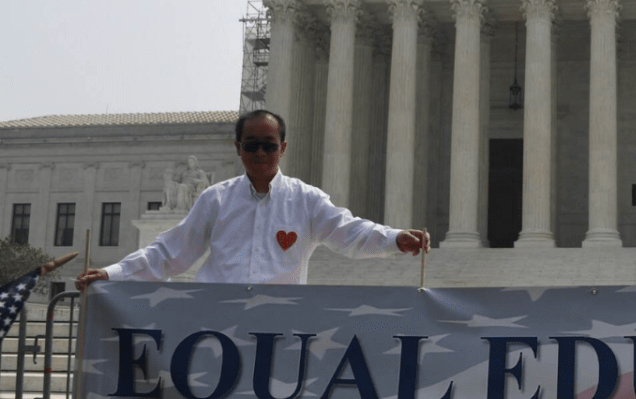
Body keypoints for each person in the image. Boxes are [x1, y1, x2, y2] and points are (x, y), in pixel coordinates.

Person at [76, 109, 428, 289]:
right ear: (238, 148)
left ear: (283, 149)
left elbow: (350, 232)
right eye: (252, 145)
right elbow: (171, 253)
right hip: (215, 325)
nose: (261, 153)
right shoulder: (216, 200)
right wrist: (113, 273)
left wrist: (395, 239)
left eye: (269, 145)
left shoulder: (305, 200)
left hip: (274, 329)